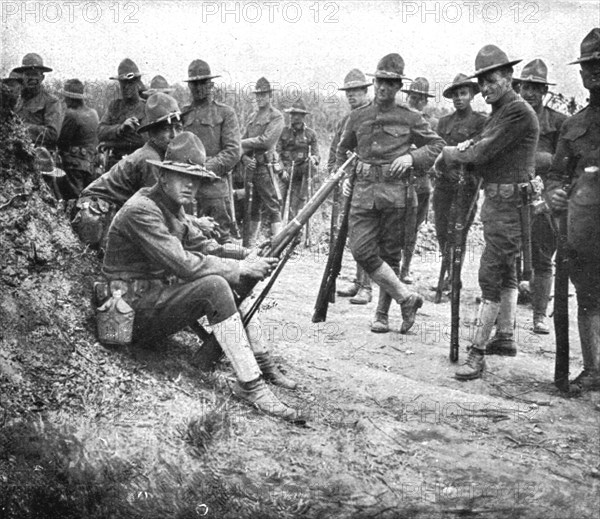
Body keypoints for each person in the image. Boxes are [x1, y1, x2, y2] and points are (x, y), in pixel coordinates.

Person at [102, 132, 305, 422]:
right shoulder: (141, 210)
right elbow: (184, 264)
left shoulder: (172, 207)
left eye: (196, 179)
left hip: (150, 302)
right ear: (163, 177)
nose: (191, 185)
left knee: (233, 278)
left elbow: (207, 247)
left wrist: (247, 254)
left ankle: (261, 362)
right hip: (127, 315)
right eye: (182, 177)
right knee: (217, 283)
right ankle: (251, 385)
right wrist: (238, 269)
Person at [434, 44, 539, 379]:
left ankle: (477, 352)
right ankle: (505, 337)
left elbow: (481, 152)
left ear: (509, 78)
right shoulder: (501, 111)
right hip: (500, 203)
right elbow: (479, 145)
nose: (486, 88)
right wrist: (462, 149)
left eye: (493, 80)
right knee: (506, 270)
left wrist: (449, 152)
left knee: (490, 274)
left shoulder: (516, 112)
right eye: (483, 83)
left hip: (509, 205)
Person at [336, 54, 443, 334]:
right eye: (380, 81)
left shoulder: (409, 116)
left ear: (398, 86)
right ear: (374, 82)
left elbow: (436, 145)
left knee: (390, 254)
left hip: (396, 195)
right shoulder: (358, 115)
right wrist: (346, 177)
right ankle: (406, 298)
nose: (384, 87)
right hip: (362, 193)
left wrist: (412, 158)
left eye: (390, 83)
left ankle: (382, 315)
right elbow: (341, 149)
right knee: (360, 249)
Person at [547, 28, 600, 393]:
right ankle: (594, 367)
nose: (593, 72)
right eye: (587, 66)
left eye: (599, 64)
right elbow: (557, 174)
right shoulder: (573, 124)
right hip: (584, 230)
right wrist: (553, 193)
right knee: (588, 295)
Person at [75, 93, 183, 251]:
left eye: (178, 128)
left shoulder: (159, 155)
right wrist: (193, 224)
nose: (174, 135)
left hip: (114, 210)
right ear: (152, 133)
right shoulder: (150, 159)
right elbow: (162, 210)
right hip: (96, 213)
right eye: (166, 129)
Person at [513, 59, 568, 335]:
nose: (530, 92)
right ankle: (504, 315)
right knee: (507, 251)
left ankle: (538, 315)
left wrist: (540, 161)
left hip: (543, 196)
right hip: (511, 192)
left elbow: (565, 162)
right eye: (526, 86)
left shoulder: (559, 122)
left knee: (543, 254)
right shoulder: (509, 117)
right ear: (519, 87)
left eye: (536, 87)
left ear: (544, 90)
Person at [433, 73, 487, 290]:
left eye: (463, 93)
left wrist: (469, 175)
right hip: (444, 185)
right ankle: (447, 274)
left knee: (458, 233)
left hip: (467, 187)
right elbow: (438, 151)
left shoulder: (481, 122)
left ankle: (454, 278)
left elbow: (481, 153)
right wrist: (446, 173)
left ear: (472, 95)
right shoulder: (444, 122)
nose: (458, 98)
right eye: (455, 94)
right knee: (441, 230)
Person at [328, 69, 374, 307]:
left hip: (370, 184)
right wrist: (341, 176)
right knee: (354, 234)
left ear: (366, 91)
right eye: (349, 92)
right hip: (351, 183)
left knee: (366, 235)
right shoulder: (347, 119)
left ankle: (367, 286)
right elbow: (338, 149)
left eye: (356, 91)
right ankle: (358, 281)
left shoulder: (374, 115)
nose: (351, 96)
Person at [182, 59, 241, 243]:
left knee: (220, 238)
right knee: (187, 237)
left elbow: (232, 151)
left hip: (213, 188)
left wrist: (205, 168)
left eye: (203, 83)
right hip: (186, 187)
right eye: (194, 83)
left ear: (211, 85)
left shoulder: (225, 113)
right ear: (189, 86)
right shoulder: (182, 114)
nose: (198, 88)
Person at [399, 77, 438, 284]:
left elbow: (437, 152)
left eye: (420, 99)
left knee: (412, 230)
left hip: (421, 183)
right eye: (412, 97)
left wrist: (419, 155)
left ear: (425, 101)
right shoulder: (401, 120)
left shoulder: (432, 124)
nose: (415, 102)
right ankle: (390, 267)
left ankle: (405, 269)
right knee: (394, 227)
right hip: (399, 183)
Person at [241, 77, 285, 245]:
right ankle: (250, 244)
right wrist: (244, 158)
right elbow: (242, 141)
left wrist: (242, 144)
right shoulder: (252, 117)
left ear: (270, 96)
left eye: (263, 95)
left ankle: (278, 243)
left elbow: (266, 141)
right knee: (252, 206)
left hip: (265, 168)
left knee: (273, 205)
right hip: (250, 168)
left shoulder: (276, 117)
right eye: (257, 95)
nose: (259, 98)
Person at [98, 58, 147, 170]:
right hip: (115, 165)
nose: (126, 87)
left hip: (138, 165)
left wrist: (111, 143)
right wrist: (120, 128)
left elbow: (144, 140)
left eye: (130, 83)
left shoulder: (146, 108)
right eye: (123, 83)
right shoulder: (114, 106)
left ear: (138, 83)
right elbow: (100, 131)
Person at [277, 99, 320, 220]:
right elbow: (276, 153)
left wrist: (314, 159)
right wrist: (281, 171)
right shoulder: (283, 132)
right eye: (293, 114)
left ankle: (294, 233)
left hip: (300, 174)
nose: (295, 117)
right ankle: (275, 233)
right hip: (284, 172)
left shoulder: (310, 134)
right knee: (278, 201)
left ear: (303, 116)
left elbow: (317, 154)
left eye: (299, 114)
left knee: (295, 204)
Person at [57, 79, 99, 199]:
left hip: (74, 166)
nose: (65, 100)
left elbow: (62, 142)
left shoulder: (71, 114)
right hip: (91, 165)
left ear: (70, 98)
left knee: (74, 200)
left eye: (66, 97)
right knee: (86, 199)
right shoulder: (93, 113)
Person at [13, 53, 62, 150]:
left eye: (35, 74)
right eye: (28, 74)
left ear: (42, 78)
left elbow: (52, 134)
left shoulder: (51, 101)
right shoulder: (16, 99)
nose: (32, 78)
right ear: (22, 76)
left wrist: (20, 127)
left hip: (38, 156)